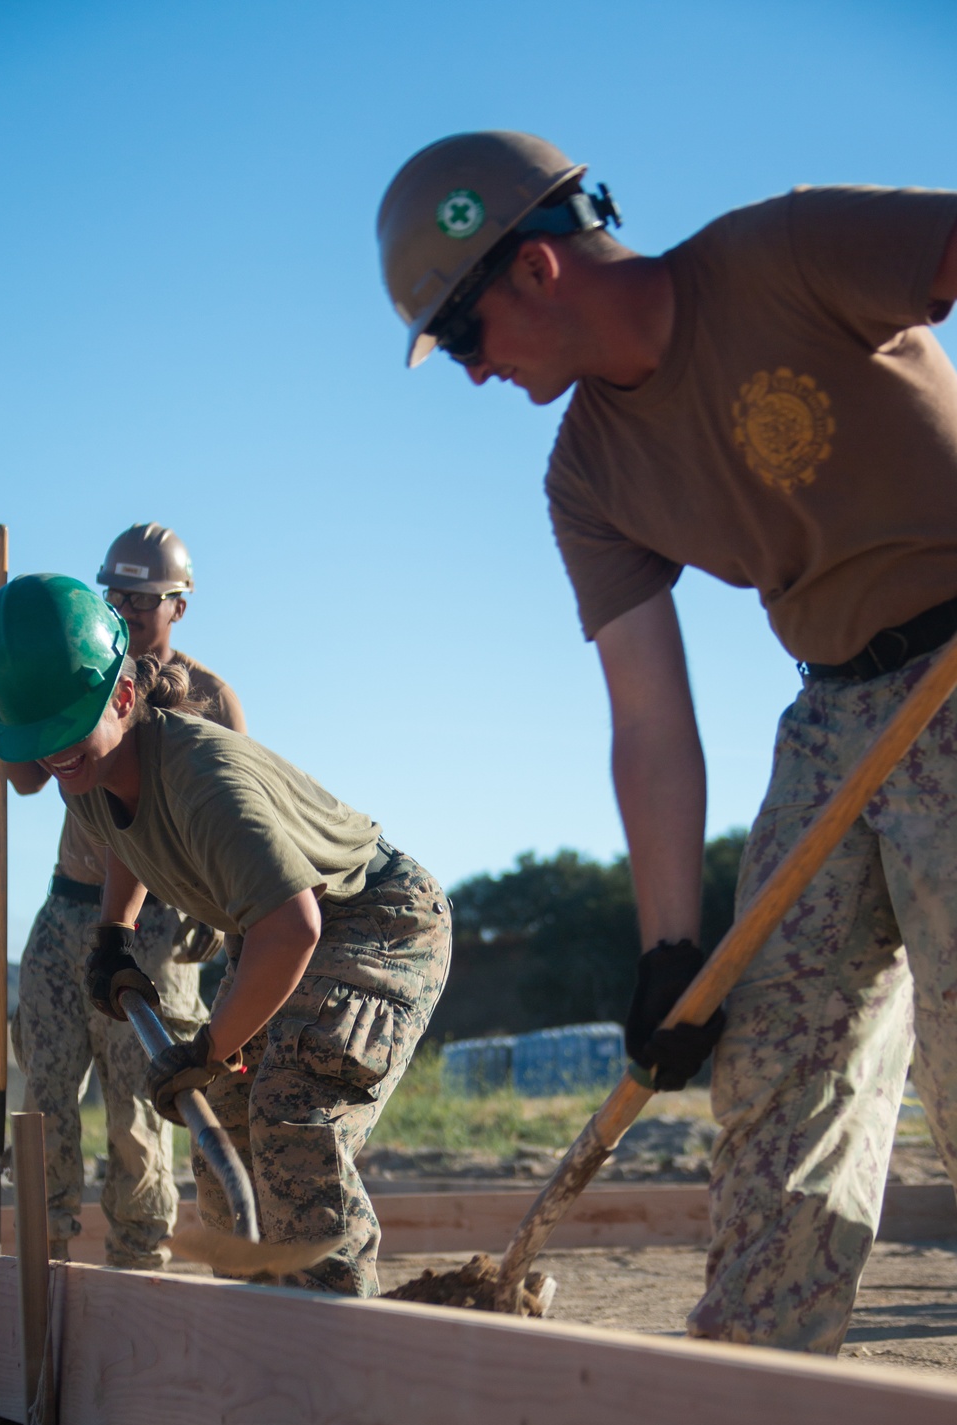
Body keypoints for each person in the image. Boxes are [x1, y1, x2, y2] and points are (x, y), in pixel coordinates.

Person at [377, 131, 957, 1354]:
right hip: (833, 710)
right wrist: (669, 948)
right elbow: (647, 715)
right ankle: (757, 1387)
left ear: (534, 268)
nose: (471, 373)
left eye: (466, 335)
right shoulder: (585, 474)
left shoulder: (786, 251)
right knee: (774, 1060)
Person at [0, 575, 451, 1296]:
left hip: (375, 921)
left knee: (294, 1108)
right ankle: (251, 1319)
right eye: (37, 741)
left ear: (124, 699)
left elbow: (292, 927)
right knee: (222, 1118)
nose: (53, 755)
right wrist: (112, 936)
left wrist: (207, 1047)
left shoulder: (205, 777)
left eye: (66, 732)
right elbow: (127, 845)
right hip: (291, 929)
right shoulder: (90, 772)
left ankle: (337, 1329)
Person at [5, 524, 246, 1268]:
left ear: (179, 604)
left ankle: (140, 1264)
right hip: (70, 906)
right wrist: (4, 701)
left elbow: (238, 820)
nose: (129, 608)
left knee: (138, 1109)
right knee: (44, 1090)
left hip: (164, 921)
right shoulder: (80, 673)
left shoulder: (210, 699)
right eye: (116, 594)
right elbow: (24, 776)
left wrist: (221, 913)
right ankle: (39, 1265)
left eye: (145, 597)